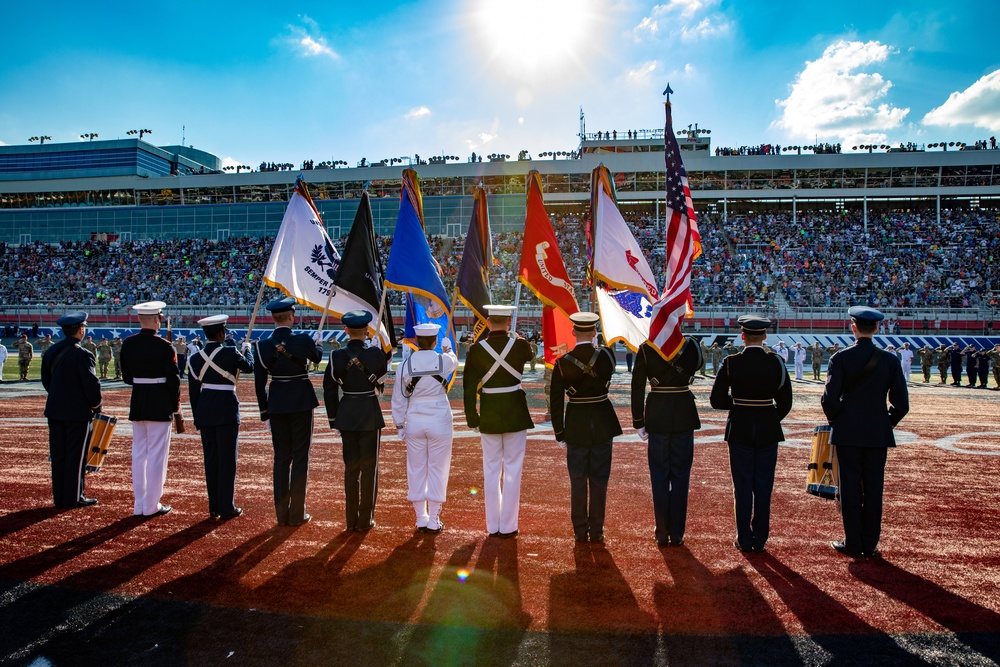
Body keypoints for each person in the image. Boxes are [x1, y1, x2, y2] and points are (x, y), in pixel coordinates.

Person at [822, 306, 909, 558]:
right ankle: (870, 543)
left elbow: (829, 400)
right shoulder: (890, 360)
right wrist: (887, 423)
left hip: (848, 434)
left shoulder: (839, 358)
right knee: (873, 488)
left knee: (849, 488)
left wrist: (838, 420)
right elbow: (901, 403)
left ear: (853, 328)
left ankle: (853, 542)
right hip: (877, 434)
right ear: (877, 328)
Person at [710, 315, 793, 553]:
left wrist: (738, 406)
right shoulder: (776, 362)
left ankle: (744, 538)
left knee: (742, 485)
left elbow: (716, 400)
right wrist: (768, 416)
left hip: (740, 428)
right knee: (764, 485)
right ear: (765, 336)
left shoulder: (731, 362)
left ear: (742, 336)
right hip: (767, 429)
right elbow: (785, 403)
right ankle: (760, 538)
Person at [461, 304, 535, 538]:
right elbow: (531, 353)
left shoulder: (476, 350)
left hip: (490, 412)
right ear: (509, 319)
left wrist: (472, 417)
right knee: (513, 470)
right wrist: (514, 337)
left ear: (489, 320)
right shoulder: (520, 345)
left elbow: (468, 387)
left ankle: (493, 525)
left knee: (491, 470)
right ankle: (509, 525)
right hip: (515, 412)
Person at [551, 312, 622, 543]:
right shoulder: (607, 357)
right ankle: (597, 530)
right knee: (600, 480)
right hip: (602, 422)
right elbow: (607, 365)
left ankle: (580, 530)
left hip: (576, 424)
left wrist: (559, 431)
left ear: (573, 332)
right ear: (594, 332)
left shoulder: (562, 363)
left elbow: (555, 401)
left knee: (578, 481)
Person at [254, 296, 324, 527]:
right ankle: (297, 512)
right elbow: (316, 358)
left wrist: (264, 412)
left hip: (276, 404)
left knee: (281, 458)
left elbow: (259, 383)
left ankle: (281, 513)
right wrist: (319, 344)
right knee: (301, 457)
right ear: (292, 316)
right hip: (301, 401)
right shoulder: (303, 339)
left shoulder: (261, 346)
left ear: (273, 318)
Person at [631, 333, 702, 547]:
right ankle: (677, 533)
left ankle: (662, 531)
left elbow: (637, 386)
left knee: (659, 476)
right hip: (683, 413)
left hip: (657, 413)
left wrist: (638, 420)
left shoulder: (646, 348)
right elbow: (697, 365)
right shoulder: (691, 345)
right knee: (680, 476)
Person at [324, 310, 388, 532]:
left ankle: (351, 520)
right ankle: (365, 519)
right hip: (369, 413)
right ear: (366, 331)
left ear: (346, 331)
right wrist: (376, 351)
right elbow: (381, 383)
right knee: (370, 469)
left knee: (351, 468)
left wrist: (333, 419)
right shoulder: (376, 354)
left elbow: (329, 390)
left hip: (347, 413)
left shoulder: (335, 357)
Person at [391, 322, 458, 533]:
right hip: (439, 418)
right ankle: (434, 519)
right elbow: (454, 360)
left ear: (417, 341)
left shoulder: (405, 365)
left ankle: (421, 517)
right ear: (435, 341)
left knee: (416, 469)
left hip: (415, 420)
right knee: (438, 469)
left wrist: (399, 424)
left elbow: (399, 397)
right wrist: (448, 349)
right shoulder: (444, 360)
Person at [188, 314, 254, 520]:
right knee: (227, 460)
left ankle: (214, 507)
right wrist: (248, 350)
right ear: (222, 333)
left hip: (205, 410)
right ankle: (226, 506)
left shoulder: (194, 358)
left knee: (211, 460)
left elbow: (193, 394)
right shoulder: (230, 352)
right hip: (226, 408)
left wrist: (197, 418)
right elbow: (249, 367)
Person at [121, 301, 181, 517]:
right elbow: (174, 380)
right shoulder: (165, 346)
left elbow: (127, 377)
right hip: (159, 401)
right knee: (156, 455)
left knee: (139, 454)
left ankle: (139, 504)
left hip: (138, 399)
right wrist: (175, 406)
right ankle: (151, 505)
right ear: (157, 319)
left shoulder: (129, 343)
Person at [41, 311, 103, 508]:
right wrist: (96, 406)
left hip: (55, 409)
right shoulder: (83, 354)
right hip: (77, 413)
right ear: (81, 330)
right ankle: (74, 496)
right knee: (76, 456)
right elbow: (91, 386)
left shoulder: (51, 351)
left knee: (58, 455)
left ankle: (59, 496)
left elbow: (46, 381)